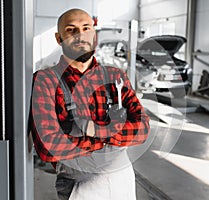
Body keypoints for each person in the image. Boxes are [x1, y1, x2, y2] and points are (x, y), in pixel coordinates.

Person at [30, 8, 150, 200]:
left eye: (86, 28)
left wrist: (94, 131)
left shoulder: (115, 76)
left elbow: (142, 129)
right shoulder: (46, 80)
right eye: (71, 30)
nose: (80, 35)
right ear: (59, 38)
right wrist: (112, 133)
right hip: (79, 187)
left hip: (122, 182)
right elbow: (48, 146)